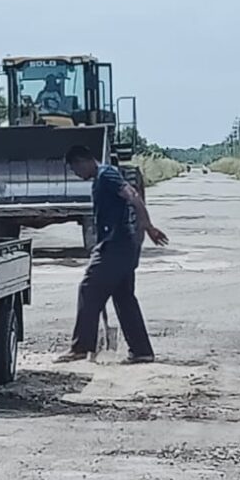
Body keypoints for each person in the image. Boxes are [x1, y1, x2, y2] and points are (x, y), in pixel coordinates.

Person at [55, 145, 169, 364]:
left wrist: (148, 226)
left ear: (83, 161)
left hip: (115, 245)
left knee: (88, 289)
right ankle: (141, 351)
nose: (77, 175)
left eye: (75, 169)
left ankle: (80, 347)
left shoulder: (106, 175)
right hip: (124, 245)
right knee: (124, 297)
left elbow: (133, 197)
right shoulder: (104, 176)